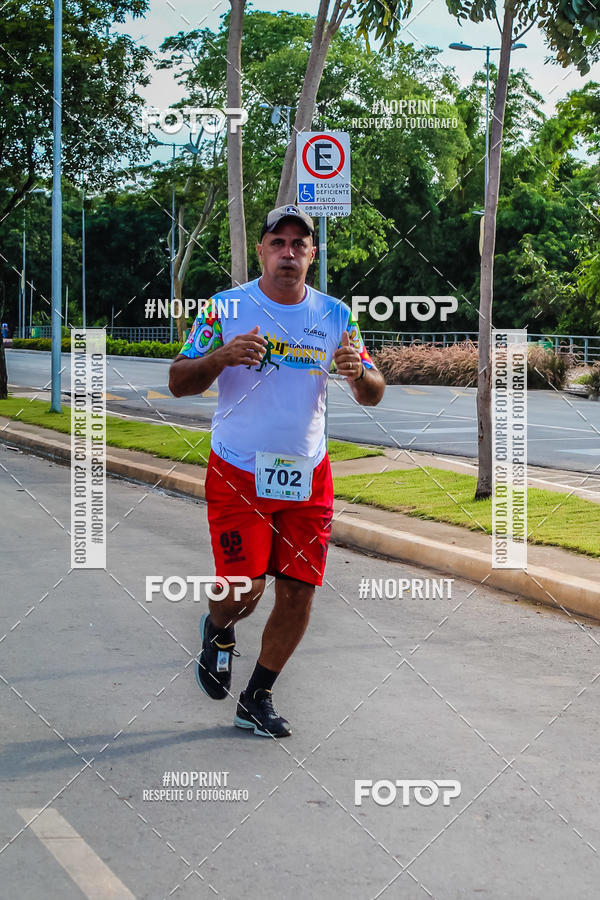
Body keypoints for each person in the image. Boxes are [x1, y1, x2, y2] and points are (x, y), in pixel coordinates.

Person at [169, 204, 385, 738]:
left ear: (311, 255)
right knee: (245, 588)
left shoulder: (337, 316)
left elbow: (375, 392)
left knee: (298, 592)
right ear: (262, 249)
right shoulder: (225, 308)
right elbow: (178, 381)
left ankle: (257, 696)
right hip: (239, 468)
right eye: (278, 242)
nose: (288, 252)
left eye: (299, 244)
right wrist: (220, 357)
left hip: (307, 473)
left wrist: (359, 376)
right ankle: (219, 629)